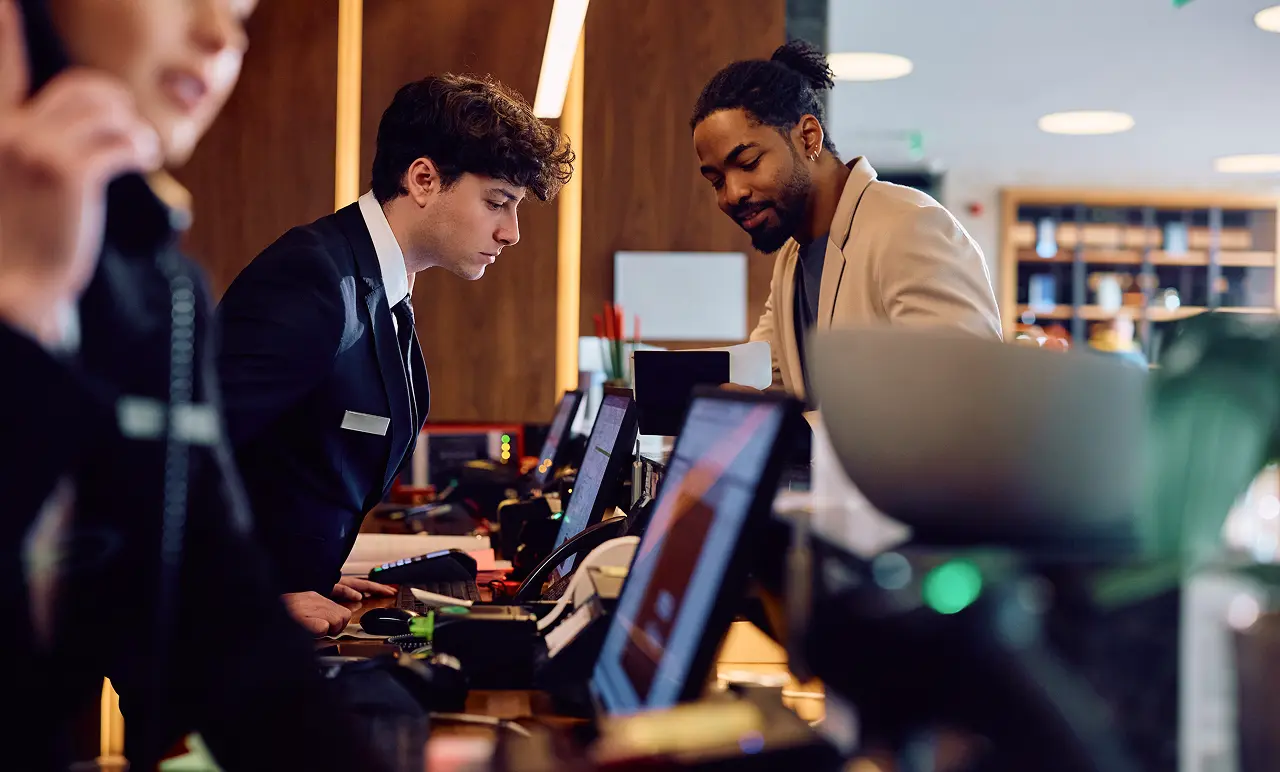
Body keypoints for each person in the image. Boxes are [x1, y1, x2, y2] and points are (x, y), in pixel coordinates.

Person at [0, 0, 375, 767]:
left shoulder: (153, 290)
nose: (221, 38)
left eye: (241, 10)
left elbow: (230, 635)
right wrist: (22, 318)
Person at [215, 75, 574, 606]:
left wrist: (303, 570)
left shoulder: (380, 285)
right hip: (213, 644)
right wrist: (258, 598)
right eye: (498, 202)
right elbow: (181, 464)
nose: (511, 231)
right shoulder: (314, 278)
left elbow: (288, 466)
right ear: (423, 179)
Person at [691, 40, 1002, 399]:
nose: (732, 194)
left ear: (808, 137)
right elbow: (769, 381)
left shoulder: (909, 226)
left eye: (748, 164)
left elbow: (967, 393)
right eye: (716, 181)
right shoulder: (792, 258)